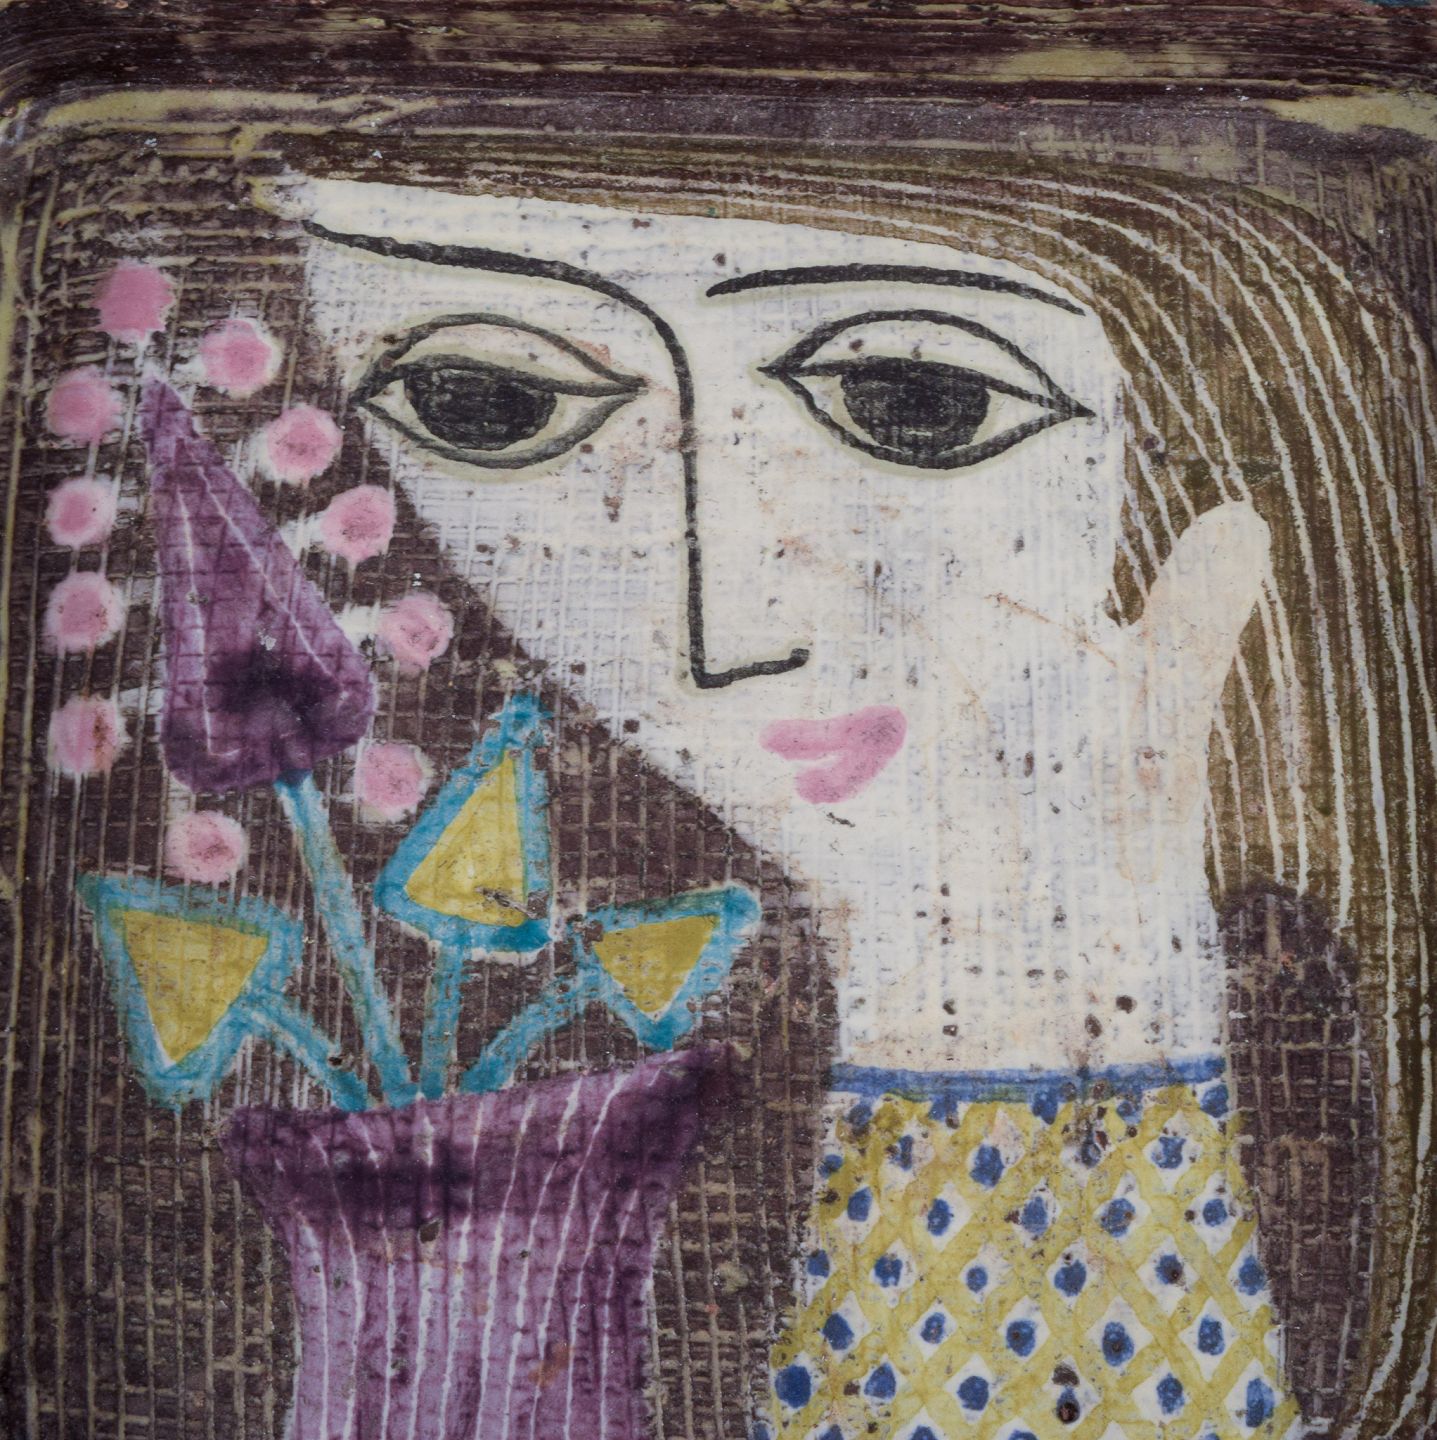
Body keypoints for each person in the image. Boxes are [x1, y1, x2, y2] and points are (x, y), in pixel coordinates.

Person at [271, 159, 1430, 1437]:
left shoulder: (1295, 1049)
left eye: (916, 403)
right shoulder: (463, 1045)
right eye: (488, 403)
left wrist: (1037, 976)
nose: (728, 630)